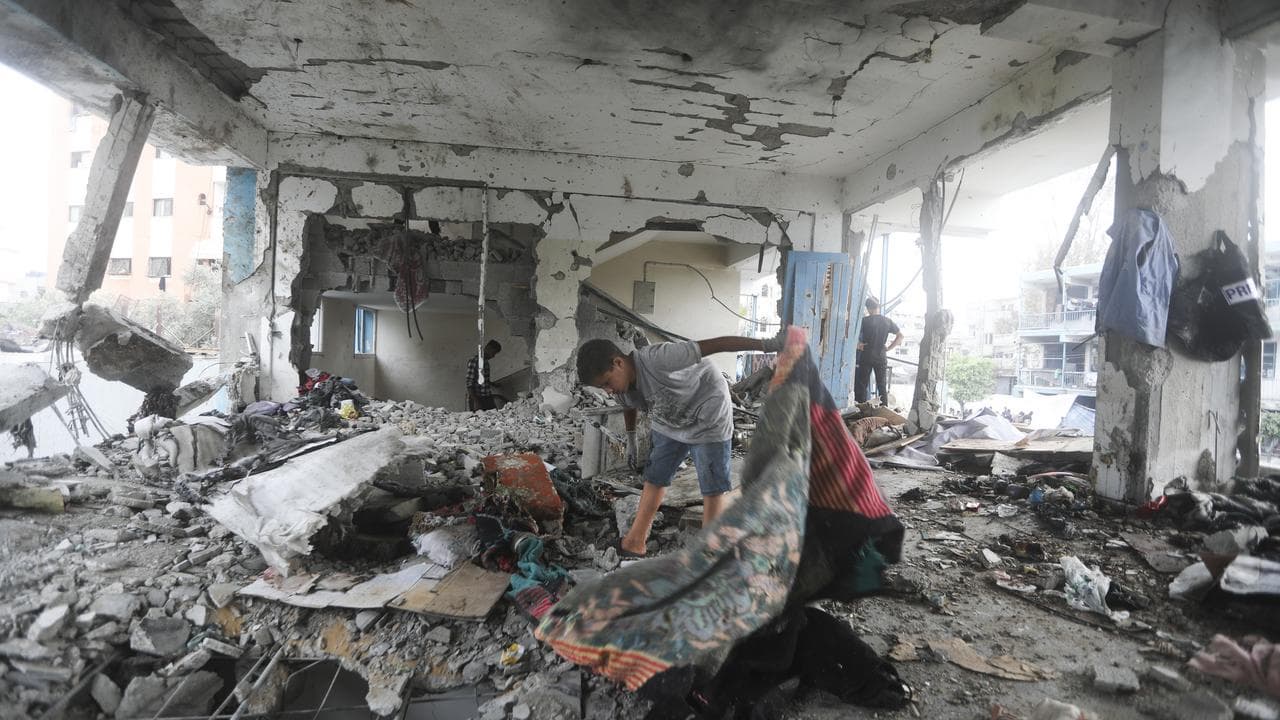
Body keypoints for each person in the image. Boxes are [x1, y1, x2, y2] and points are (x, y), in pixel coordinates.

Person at [576, 333, 783, 557]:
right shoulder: (621, 387)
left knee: (712, 484)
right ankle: (635, 542)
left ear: (618, 363)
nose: (608, 390)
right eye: (602, 388)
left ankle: (709, 551)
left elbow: (715, 344)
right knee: (655, 476)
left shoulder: (659, 358)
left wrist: (767, 345)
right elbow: (629, 405)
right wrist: (631, 439)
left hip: (707, 409)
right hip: (671, 418)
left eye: (607, 382)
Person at [855, 298, 903, 406]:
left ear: (868, 308)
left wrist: (858, 345)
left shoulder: (864, 321)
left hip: (867, 354)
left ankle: (860, 410)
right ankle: (884, 410)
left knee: (862, 385)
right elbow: (900, 336)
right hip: (881, 355)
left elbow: (851, 334)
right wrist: (889, 348)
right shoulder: (887, 321)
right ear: (878, 307)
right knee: (881, 385)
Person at [466, 340, 504, 410]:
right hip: (477, 398)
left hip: (487, 397)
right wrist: (476, 401)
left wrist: (493, 384)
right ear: (488, 348)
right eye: (493, 353)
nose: (493, 356)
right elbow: (469, 383)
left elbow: (482, 379)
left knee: (494, 417)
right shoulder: (474, 360)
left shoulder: (485, 362)